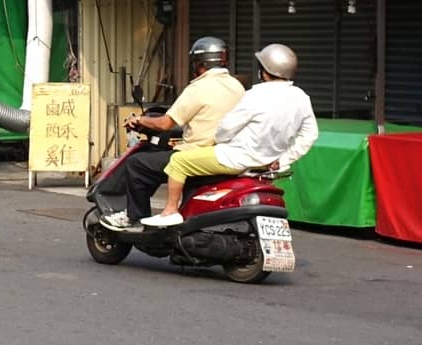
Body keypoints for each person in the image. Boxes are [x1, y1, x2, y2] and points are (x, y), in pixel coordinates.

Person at [142, 43, 318, 227]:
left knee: (179, 162)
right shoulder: (301, 97)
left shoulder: (255, 95)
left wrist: (222, 141)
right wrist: (283, 160)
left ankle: (170, 211)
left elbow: (226, 127)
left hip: (235, 159)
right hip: (268, 164)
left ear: (263, 71)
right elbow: (310, 135)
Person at [100, 37, 243, 229]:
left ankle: (134, 216)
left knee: (137, 165)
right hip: (224, 155)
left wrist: (141, 120)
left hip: (196, 155)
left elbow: (165, 123)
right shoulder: (237, 87)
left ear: (199, 64)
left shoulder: (198, 88)